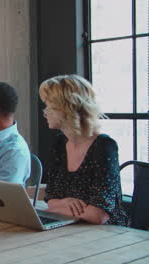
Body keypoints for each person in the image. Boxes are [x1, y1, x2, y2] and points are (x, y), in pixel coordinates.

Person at [39, 74, 128, 226]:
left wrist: (60, 206)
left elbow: (99, 215)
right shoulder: (60, 144)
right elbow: (51, 201)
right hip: (70, 227)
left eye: (49, 105)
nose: (45, 111)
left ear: (66, 108)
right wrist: (64, 203)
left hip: (108, 235)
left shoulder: (104, 146)